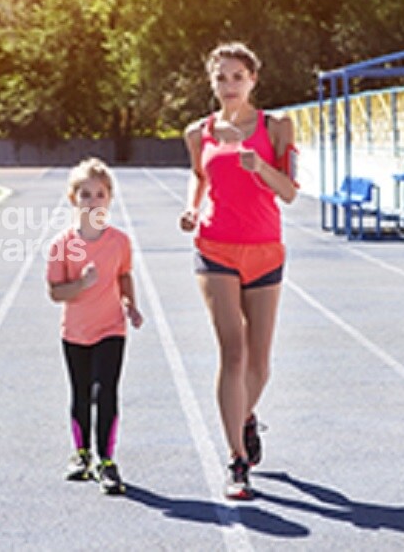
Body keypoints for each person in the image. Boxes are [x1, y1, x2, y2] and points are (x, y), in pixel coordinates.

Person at [178, 42, 298, 500]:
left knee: (260, 364)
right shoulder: (199, 131)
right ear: (212, 82)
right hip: (215, 249)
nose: (229, 85)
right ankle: (236, 459)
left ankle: (244, 416)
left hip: (265, 250)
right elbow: (199, 175)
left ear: (253, 80)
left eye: (237, 77)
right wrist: (191, 209)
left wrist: (260, 166)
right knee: (233, 353)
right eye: (221, 77)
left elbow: (288, 192)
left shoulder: (275, 126)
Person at [47, 157, 143, 495]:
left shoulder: (119, 241)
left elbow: (124, 274)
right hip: (75, 332)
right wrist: (82, 285)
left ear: (109, 198)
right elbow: (56, 293)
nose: (92, 201)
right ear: (73, 199)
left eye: (99, 194)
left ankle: (106, 460)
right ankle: (81, 455)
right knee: (81, 393)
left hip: (111, 329)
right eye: (85, 194)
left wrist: (130, 304)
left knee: (106, 392)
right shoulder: (61, 245)